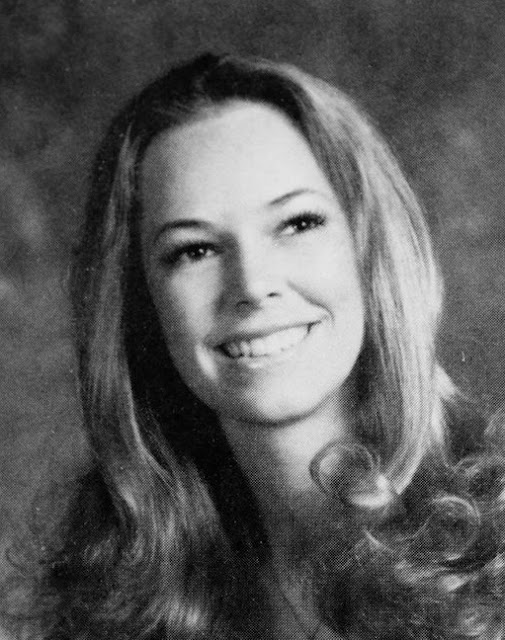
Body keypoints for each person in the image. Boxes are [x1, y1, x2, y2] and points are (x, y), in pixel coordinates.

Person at [5, 52, 505, 640]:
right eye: (194, 250)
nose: (251, 285)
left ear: (371, 249)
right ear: (141, 303)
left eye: (297, 223)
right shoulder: (116, 598)